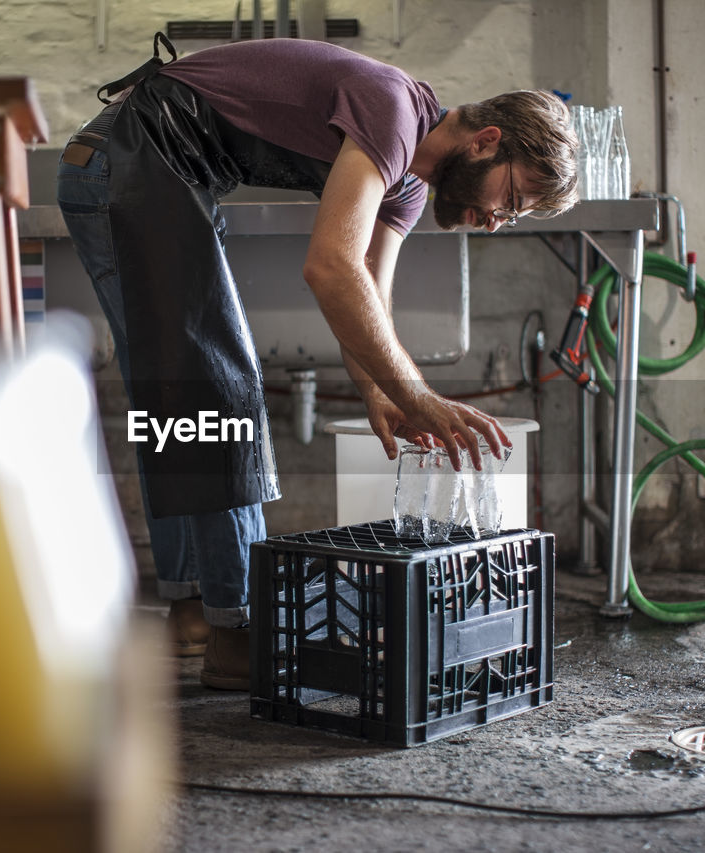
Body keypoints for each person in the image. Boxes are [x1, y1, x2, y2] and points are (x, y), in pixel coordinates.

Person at [57, 35, 578, 691]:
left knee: (179, 396)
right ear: (486, 141)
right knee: (219, 396)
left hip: (148, 173)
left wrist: (380, 394)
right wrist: (416, 393)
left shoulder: (408, 188)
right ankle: (236, 626)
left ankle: (193, 609)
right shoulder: (392, 110)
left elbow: (368, 290)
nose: (500, 220)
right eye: (513, 199)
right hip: (126, 163)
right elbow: (329, 266)